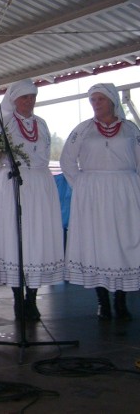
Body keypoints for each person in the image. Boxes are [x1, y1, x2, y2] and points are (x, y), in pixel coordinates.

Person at [60, 83, 140, 321]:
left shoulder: (130, 129)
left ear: (112, 101)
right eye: (92, 100)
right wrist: (83, 187)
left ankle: (121, 299)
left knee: (124, 241)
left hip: (124, 191)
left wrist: (135, 188)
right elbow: (67, 161)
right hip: (93, 194)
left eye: (100, 99)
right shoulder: (82, 130)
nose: (95, 104)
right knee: (98, 242)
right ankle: (103, 300)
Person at [0, 79, 65, 320]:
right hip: (14, 183)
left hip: (40, 186)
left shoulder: (41, 123)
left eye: (32, 97)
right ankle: (16, 298)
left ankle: (32, 298)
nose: (29, 101)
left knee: (38, 238)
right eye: (24, 97)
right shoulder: (4, 124)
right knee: (16, 238)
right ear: (13, 100)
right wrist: (4, 177)